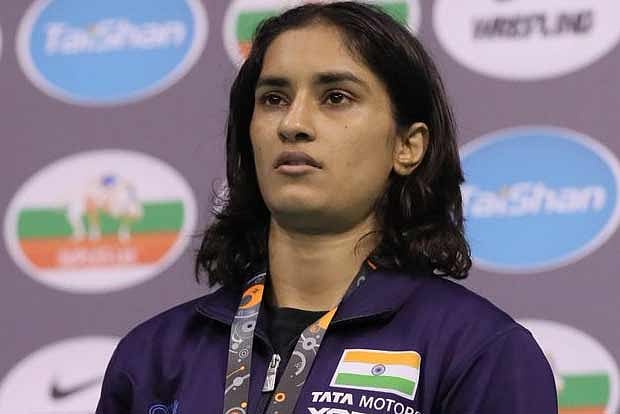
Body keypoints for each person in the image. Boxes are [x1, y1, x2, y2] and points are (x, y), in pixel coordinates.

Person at [96, 2, 557, 413]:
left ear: (407, 146)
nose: (293, 123)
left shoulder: (478, 352)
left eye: (336, 97)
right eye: (273, 99)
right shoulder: (152, 357)